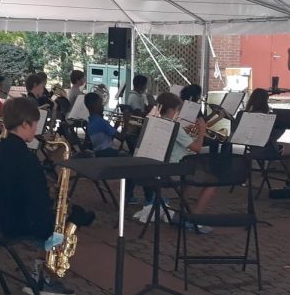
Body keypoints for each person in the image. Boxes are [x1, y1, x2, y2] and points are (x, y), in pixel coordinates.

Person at [0, 98, 93, 295]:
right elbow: (36, 201)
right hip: (23, 225)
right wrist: (55, 217)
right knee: (76, 216)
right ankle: (45, 276)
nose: (36, 129)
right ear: (25, 124)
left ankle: (40, 270)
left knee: (73, 213)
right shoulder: (26, 158)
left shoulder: (1, 149)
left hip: (5, 217)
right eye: (35, 124)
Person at [133, 93, 210, 233]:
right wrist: (202, 131)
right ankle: (194, 219)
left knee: (192, 177)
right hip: (170, 172)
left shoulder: (152, 122)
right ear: (172, 110)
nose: (178, 113)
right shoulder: (175, 126)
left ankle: (181, 211)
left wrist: (185, 134)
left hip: (152, 170)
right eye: (177, 110)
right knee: (211, 182)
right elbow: (197, 148)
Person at [244, 88, 290, 190]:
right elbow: (274, 136)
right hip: (268, 150)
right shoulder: (269, 116)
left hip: (253, 149)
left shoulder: (246, 114)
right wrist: (283, 125)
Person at [85, 91, 121, 156]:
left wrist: (115, 127)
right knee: (126, 155)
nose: (103, 107)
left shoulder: (90, 123)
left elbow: (106, 141)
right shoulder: (101, 122)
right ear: (96, 106)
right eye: (101, 104)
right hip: (107, 153)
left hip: (99, 154)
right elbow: (121, 137)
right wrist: (126, 121)